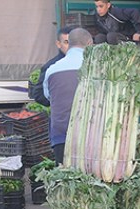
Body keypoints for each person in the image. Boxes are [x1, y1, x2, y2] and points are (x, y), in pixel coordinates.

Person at [43, 28, 92, 164]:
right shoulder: (96, 68)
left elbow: (48, 96)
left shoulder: (52, 69)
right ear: (89, 43)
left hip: (61, 134)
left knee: (63, 173)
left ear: (69, 43)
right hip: (90, 133)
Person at [29, 25, 75, 107]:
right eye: (66, 42)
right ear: (58, 44)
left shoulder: (88, 63)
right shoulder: (51, 66)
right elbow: (39, 95)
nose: (70, 47)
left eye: (73, 43)